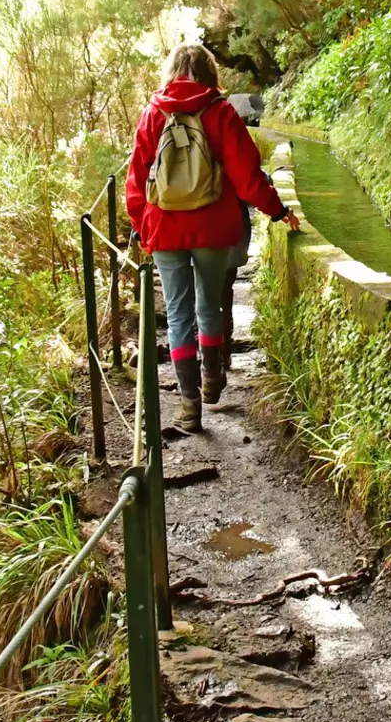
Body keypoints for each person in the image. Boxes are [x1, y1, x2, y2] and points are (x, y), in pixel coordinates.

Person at [125, 44, 298, 431]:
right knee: (209, 305)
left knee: (177, 313)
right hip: (213, 227)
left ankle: (189, 405)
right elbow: (248, 176)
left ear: (171, 71)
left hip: (165, 227)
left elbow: (136, 179)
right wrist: (279, 210)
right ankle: (212, 378)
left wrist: (142, 226)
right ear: (210, 73)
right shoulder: (221, 113)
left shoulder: (154, 114)